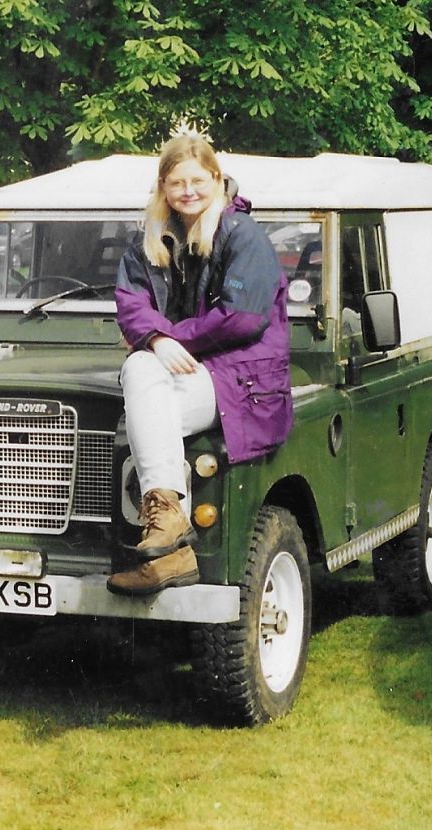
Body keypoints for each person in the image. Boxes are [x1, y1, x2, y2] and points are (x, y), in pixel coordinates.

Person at [108, 133, 291, 596]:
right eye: (175, 183)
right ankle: (170, 534)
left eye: (196, 180)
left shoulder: (241, 233)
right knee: (139, 373)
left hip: (243, 379)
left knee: (143, 397)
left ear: (215, 178)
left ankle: (168, 544)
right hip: (188, 375)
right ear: (163, 188)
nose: (187, 191)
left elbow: (243, 318)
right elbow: (130, 302)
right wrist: (153, 338)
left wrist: (168, 338)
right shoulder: (152, 238)